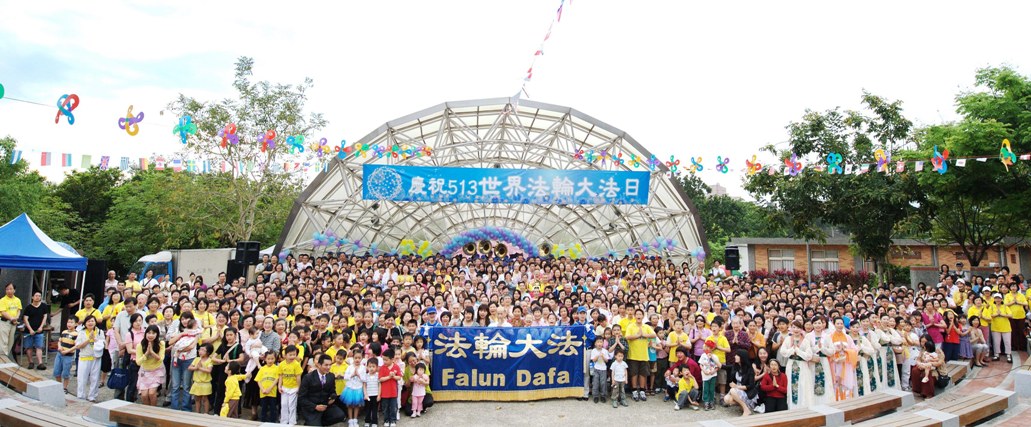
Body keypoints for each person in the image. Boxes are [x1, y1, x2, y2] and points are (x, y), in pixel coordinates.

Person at [74, 315, 104, 402]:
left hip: (96, 357)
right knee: (82, 378)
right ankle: (81, 396)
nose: (90, 323)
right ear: (85, 323)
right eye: (88, 321)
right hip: (84, 357)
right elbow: (78, 346)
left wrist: (94, 339)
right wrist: (88, 339)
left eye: (92, 321)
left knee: (95, 378)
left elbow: (103, 344)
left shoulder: (99, 332)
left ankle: (92, 396)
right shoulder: (81, 332)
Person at [135, 324, 166, 405]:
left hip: (157, 371)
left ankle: (153, 410)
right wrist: (146, 353)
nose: (150, 335)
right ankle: (147, 411)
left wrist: (152, 352)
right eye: (149, 333)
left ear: (157, 334)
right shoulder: (140, 345)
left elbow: (161, 359)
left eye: (153, 333)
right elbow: (138, 362)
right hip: (144, 371)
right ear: (145, 334)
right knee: (144, 395)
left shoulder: (161, 344)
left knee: (151, 393)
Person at [723, 349, 759, 416]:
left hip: (747, 393)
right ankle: (743, 406)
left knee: (732, 390)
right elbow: (722, 366)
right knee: (727, 399)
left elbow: (751, 386)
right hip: (738, 392)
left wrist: (736, 386)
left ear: (742, 357)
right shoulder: (736, 366)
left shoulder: (749, 369)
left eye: (737, 355)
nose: (735, 356)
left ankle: (746, 409)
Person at [22, 290, 48, 369]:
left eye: (39, 296)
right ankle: (31, 362)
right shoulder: (28, 308)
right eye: (36, 296)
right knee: (28, 347)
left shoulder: (44, 306)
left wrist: (41, 327)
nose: (38, 297)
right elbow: (25, 319)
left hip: (39, 331)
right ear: (32, 297)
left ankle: (40, 363)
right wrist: (30, 329)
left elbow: (45, 316)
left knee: (39, 347)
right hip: (29, 331)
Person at [340, 351, 365, 427]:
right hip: (350, 388)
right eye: (355, 358)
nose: (357, 359)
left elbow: (364, 379)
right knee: (349, 405)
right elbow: (345, 377)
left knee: (357, 405)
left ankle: (355, 419)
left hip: (358, 388)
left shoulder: (363, 368)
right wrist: (352, 374)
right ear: (353, 358)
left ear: (362, 358)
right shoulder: (350, 367)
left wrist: (358, 375)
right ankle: (350, 420)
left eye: (359, 358)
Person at [378, 348, 402, 427]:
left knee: (393, 407)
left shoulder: (396, 367)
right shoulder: (382, 368)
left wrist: (393, 376)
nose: (384, 361)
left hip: (393, 392)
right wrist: (389, 377)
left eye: (386, 360)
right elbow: (380, 379)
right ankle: (386, 420)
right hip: (384, 393)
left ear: (392, 359)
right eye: (383, 359)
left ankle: (393, 420)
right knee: (385, 407)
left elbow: (399, 377)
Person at [279, 345, 303, 425]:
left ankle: (292, 422)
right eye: (290, 355)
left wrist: (298, 388)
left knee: (292, 405)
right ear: (285, 355)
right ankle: (283, 421)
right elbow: (280, 376)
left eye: (294, 354)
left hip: (294, 388)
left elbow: (298, 377)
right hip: (284, 388)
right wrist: (279, 386)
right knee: (284, 404)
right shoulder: (281, 364)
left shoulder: (296, 364)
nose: (292, 356)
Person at [54, 316, 78, 392]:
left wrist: (67, 351)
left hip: (68, 356)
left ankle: (64, 388)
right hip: (59, 354)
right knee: (56, 371)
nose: (69, 324)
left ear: (76, 324)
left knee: (66, 373)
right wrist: (59, 347)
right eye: (68, 322)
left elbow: (76, 346)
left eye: (71, 322)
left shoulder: (76, 334)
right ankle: (59, 386)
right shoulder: (64, 332)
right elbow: (59, 341)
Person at [190, 344, 215, 414]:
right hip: (197, 382)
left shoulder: (209, 360)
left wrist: (200, 368)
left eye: (203, 350)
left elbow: (209, 370)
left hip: (205, 383)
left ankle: (206, 413)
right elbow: (189, 367)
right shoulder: (196, 359)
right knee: (197, 399)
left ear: (208, 352)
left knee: (205, 399)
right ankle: (197, 412)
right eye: (200, 349)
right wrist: (196, 368)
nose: (200, 351)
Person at [0, 283, 22, 357]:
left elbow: (18, 310)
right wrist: (12, 318)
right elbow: (3, 312)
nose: (9, 291)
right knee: (4, 340)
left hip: (13, 323)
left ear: (14, 290)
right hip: (4, 322)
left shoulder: (17, 300)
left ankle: (6, 356)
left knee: (11, 340)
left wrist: (16, 317)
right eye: (7, 289)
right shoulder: (2, 300)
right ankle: (3, 357)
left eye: (10, 289)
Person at [698, 340, 721, 411]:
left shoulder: (715, 356)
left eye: (709, 347)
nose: (707, 348)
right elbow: (701, 364)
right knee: (706, 389)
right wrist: (704, 371)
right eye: (706, 346)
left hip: (713, 375)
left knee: (712, 389)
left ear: (712, 348)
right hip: (705, 375)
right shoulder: (703, 355)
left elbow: (717, 366)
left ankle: (711, 401)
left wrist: (714, 371)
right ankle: (706, 402)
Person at [590, 336, 610, 403]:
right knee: (595, 383)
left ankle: (603, 396)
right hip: (596, 369)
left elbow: (607, 360)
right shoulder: (593, 350)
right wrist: (598, 355)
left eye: (601, 342)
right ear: (595, 343)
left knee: (603, 383)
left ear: (603, 343)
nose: (599, 344)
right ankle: (595, 396)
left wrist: (603, 356)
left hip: (603, 369)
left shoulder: (605, 351)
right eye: (598, 342)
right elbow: (593, 360)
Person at [363, 357, 381, 426]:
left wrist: (379, 395)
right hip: (368, 395)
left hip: (375, 395)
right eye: (370, 366)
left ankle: (374, 422)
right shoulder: (366, 376)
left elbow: (379, 385)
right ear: (367, 367)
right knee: (367, 409)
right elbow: (364, 386)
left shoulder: (378, 375)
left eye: (373, 366)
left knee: (374, 409)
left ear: (377, 367)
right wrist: (365, 394)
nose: (371, 368)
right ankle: (367, 421)